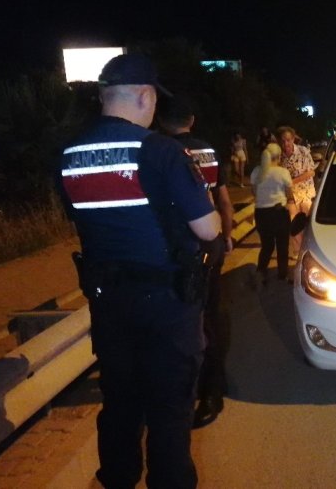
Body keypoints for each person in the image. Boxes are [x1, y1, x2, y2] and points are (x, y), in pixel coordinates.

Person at [59, 53, 220, 489]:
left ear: (103, 97)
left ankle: (117, 479)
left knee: (120, 403)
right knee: (169, 410)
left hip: (109, 303)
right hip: (167, 305)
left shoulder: (70, 154)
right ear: (146, 97)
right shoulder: (162, 151)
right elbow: (208, 229)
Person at [157, 95, 235, 429]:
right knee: (211, 315)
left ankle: (191, 386)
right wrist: (226, 236)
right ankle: (214, 388)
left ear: (162, 122)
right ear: (192, 120)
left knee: (183, 321)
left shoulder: (157, 151)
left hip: (174, 248)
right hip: (209, 243)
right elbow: (224, 201)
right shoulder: (209, 152)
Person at [250, 143, 293, 285]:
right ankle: (282, 275)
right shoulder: (282, 172)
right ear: (279, 156)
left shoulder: (256, 171)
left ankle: (261, 272)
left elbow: (254, 192)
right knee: (282, 246)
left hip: (261, 214)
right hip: (279, 213)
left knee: (267, 246)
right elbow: (289, 193)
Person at [277, 126, 316, 260]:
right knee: (293, 223)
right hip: (290, 195)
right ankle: (297, 251)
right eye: (283, 141)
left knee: (307, 224)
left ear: (293, 139)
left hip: (305, 193)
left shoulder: (303, 151)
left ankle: (311, 249)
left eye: (288, 140)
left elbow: (311, 172)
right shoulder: (279, 157)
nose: (286, 144)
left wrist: (293, 181)